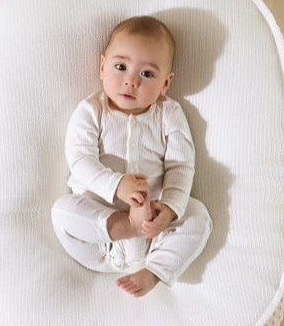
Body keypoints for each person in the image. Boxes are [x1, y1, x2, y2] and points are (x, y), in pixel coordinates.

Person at [51, 16, 212, 297]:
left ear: (165, 83)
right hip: (103, 235)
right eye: (121, 67)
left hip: (155, 229)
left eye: (148, 74)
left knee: (199, 216)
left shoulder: (169, 114)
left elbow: (181, 165)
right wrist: (117, 185)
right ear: (102, 67)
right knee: (62, 211)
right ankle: (128, 227)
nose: (131, 81)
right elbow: (79, 159)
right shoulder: (92, 111)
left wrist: (171, 208)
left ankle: (156, 271)